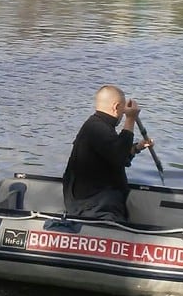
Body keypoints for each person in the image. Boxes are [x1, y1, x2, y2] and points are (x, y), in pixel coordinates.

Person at [62, 85, 153, 222]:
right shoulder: (97, 128)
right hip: (94, 205)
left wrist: (137, 148)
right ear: (116, 107)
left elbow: (114, 155)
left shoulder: (99, 126)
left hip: (98, 200)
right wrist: (130, 119)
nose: (123, 115)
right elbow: (119, 157)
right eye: (123, 112)